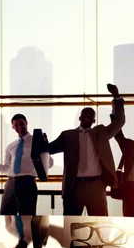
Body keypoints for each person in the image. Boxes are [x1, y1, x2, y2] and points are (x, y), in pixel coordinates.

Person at [47, 84, 125, 216]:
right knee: (70, 223)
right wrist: (36, 141)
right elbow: (49, 149)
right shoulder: (67, 135)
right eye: (84, 113)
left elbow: (119, 122)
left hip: (96, 185)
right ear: (79, 118)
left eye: (91, 114)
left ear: (94, 120)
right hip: (74, 186)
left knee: (100, 223)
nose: (87, 115)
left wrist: (116, 96)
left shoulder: (101, 133)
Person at [0, 114, 53, 215]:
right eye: (16, 125)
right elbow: (7, 168)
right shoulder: (11, 146)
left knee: (27, 217)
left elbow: (49, 164)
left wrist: (45, 149)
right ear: (13, 127)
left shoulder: (36, 141)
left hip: (27, 183)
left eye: (22, 124)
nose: (19, 127)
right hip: (10, 183)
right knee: (5, 216)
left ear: (26, 123)